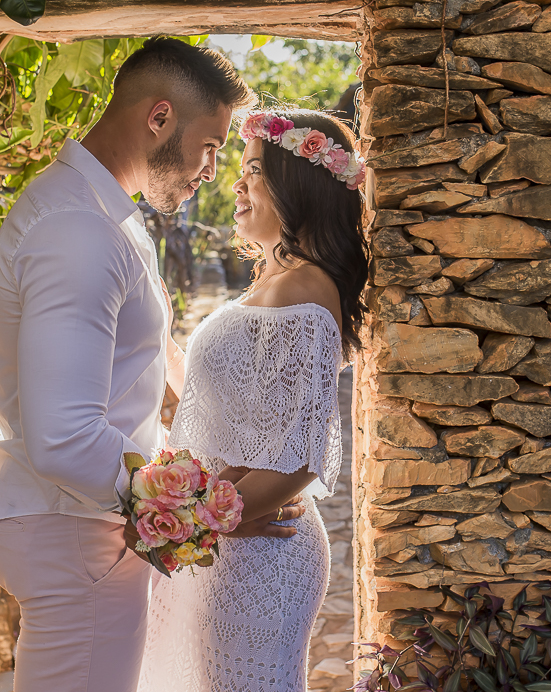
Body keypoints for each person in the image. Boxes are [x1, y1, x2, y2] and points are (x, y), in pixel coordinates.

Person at [0, 38, 297, 692]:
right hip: (75, 535)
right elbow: (66, 436)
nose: (212, 170)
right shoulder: (77, 230)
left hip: (82, 528)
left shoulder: (104, 215)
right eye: (209, 145)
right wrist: (211, 510)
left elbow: (144, 361)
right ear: (159, 118)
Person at [137, 109, 369, 692]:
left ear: (299, 187)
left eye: (255, 170)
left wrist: (190, 524)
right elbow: (222, 405)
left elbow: (298, 458)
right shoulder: (271, 284)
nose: (237, 184)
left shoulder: (307, 289)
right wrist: (161, 335)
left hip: (260, 551)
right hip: (229, 536)